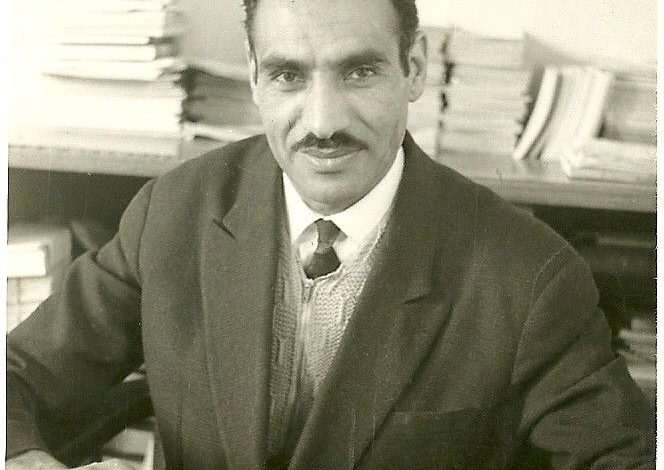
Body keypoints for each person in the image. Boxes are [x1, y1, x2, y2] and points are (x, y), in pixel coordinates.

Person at [6, 0, 654, 468]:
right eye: (288, 74)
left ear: (414, 69)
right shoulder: (173, 214)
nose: (322, 122)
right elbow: (18, 375)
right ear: (254, 77)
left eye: (359, 71)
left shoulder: (530, 275)